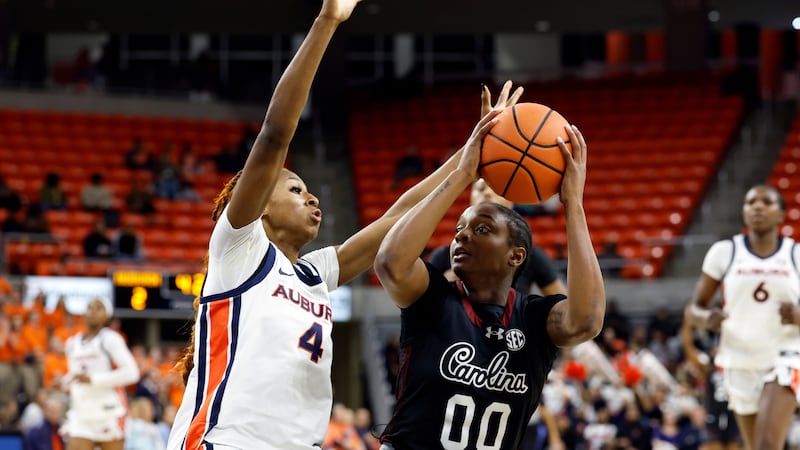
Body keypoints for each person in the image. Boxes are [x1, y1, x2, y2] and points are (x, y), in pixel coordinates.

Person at [165, 2, 497, 448]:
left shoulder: (313, 274)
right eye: (295, 189)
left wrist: (466, 162)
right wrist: (328, 21)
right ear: (261, 206)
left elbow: (397, 217)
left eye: (308, 190)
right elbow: (275, 135)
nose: (312, 197)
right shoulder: (239, 250)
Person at [373, 86, 605, 449]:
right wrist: (463, 172)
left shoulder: (532, 318)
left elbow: (587, 320)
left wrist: (573, 204)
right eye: (459, 229)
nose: (462, 236)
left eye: (481, 229)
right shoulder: (434, 300)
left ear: (516, 256)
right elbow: (390, 263)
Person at [686, 184, 800, 450]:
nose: (757, 206)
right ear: (744, 211)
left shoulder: (795, 254)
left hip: (784, 356)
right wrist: (707, 318)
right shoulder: (724, 252)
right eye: (751, 202)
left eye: (766, 202)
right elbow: (694, 308)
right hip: (738, 359)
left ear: (781, 214)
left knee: (766, 446)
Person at [427, 178, 566, 296]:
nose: (487, 193)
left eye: (496, 190)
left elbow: (564, 306)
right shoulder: (444, 256)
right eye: (481, 189)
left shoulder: (532, 256)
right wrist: (443, 289)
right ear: (471, 198)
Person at [62, 297, 140, 450]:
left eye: (98, 308)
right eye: (90, 308)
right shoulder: (72, 343)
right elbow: (75, 374)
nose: (93, 311)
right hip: (81, 413)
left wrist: (93, 379)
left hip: (108, 412)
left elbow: (132, 373)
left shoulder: (110, 339)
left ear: (107, 316)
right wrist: (64, 382)